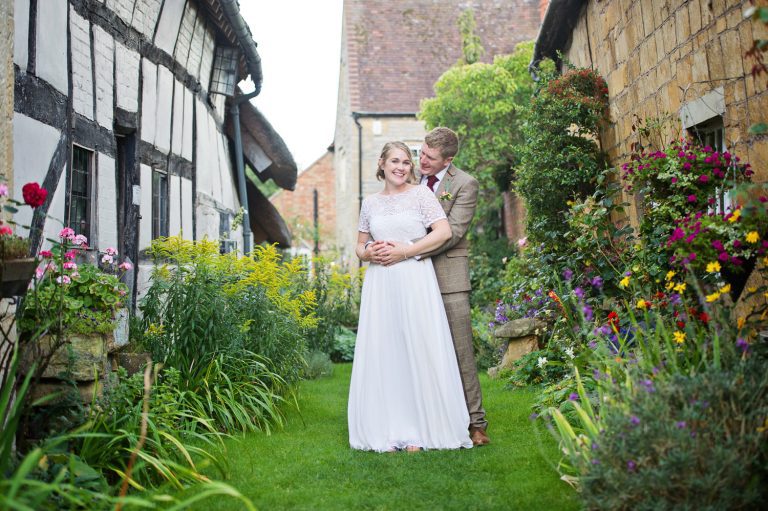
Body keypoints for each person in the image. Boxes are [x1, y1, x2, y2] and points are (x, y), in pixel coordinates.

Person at [347, 141, 473, 452]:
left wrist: (406, 252)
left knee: (417, 346)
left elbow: (442, 232)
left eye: (406, 162)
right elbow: (359, 247)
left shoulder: (421, 195)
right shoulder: (370, 203)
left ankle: (419, 431)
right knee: (386, 351)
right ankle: (387, 430)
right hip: (381, 285)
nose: (401, 167)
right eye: (395, 161)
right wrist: (370, 253)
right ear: (382, 164)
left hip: (414, 279)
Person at [374, 127, 489, 446]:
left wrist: (406, 249)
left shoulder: (465, 184)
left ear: (448, 160)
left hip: (447, 277)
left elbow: (452, 232)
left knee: (460, 350)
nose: (420, 160)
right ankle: (426, 419)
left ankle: (476, 424)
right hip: (407, 280)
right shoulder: (407, 181)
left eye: (430, 157)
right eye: (420, 153)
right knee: (415, 350)